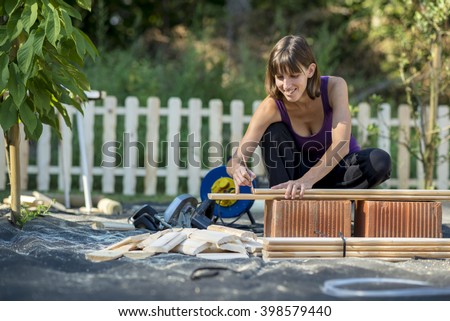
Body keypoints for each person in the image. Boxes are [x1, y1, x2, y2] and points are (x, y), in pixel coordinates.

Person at [226, 35, 391, 199]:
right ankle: (285, 206)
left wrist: (307, 181)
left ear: (310, 70)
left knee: (379, 161)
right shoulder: (271, 106)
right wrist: (237, 169)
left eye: (294, 75)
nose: (286, 85)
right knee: (273, 131)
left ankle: (327, 200)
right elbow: (236, 159)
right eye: (280, 77)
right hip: (296, 182)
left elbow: (341, 146)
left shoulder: (335, 87)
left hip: (339, 173)